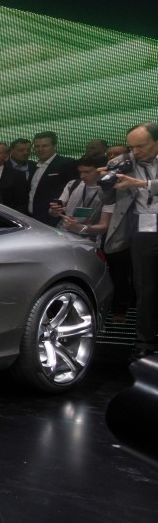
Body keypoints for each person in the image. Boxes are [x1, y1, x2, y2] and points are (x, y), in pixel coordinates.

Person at [100, 122, 158, 359]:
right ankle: (145, 341)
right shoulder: (125, 162)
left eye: (141, 146)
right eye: (132, 147)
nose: (135, 152)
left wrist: (142, 184)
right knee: (145, 288)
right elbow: (106, 196)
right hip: (143, 230)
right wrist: (107, 180)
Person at [28, 131, 78, 225]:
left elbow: (74, 191)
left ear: (54, 146)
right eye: (37, 146)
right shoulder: (33, 167)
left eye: (45, 146)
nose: (40, 149)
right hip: (32, 218)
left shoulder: (67, 164)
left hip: (54, 220)